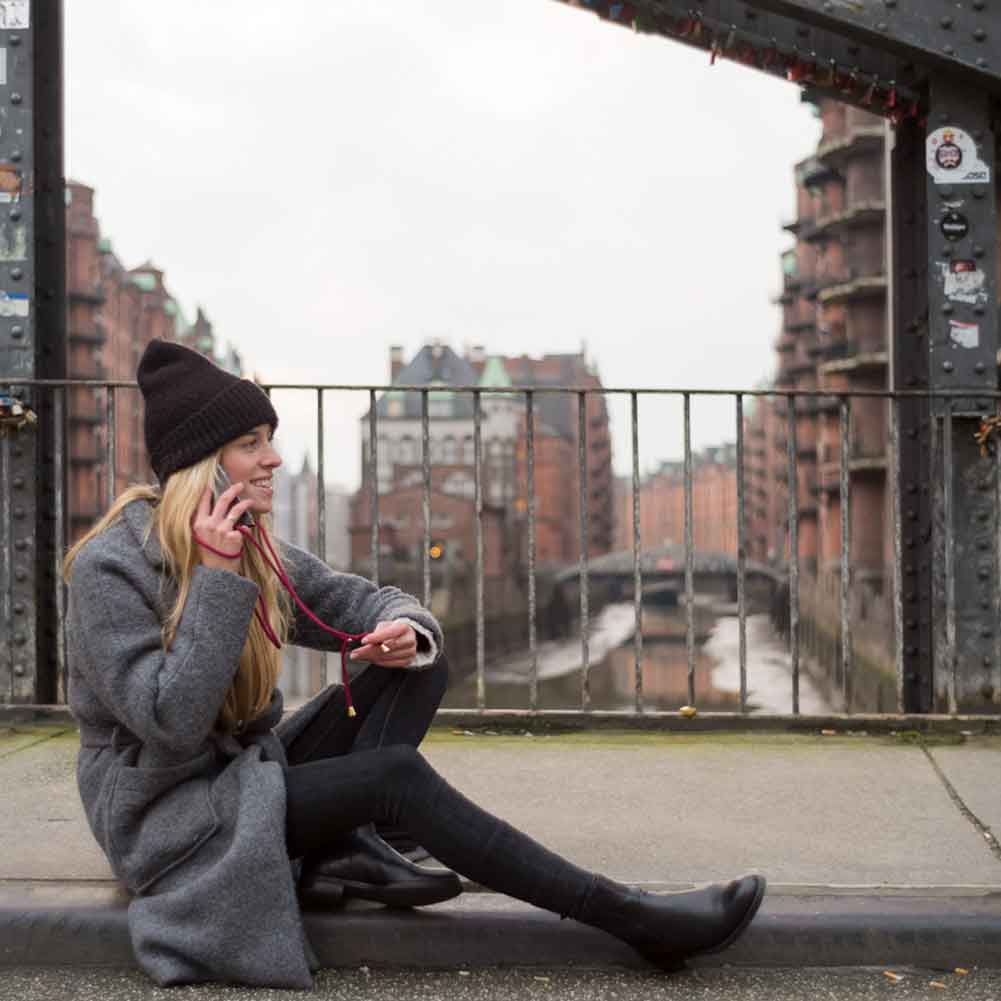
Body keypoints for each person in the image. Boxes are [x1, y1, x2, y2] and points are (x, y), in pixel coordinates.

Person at [64, 339, 765, 991]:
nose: (272, 458)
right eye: (251, 443)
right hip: (168, 816)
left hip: (241, 778)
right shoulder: (110, 569)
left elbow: (364, 597)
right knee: (392, 778)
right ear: (202, 464)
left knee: (419, 662)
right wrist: (217, 582)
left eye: (270, 439)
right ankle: (631, 915)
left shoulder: (252, 547)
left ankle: (342, 844)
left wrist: (402, 629)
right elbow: (171, 724)